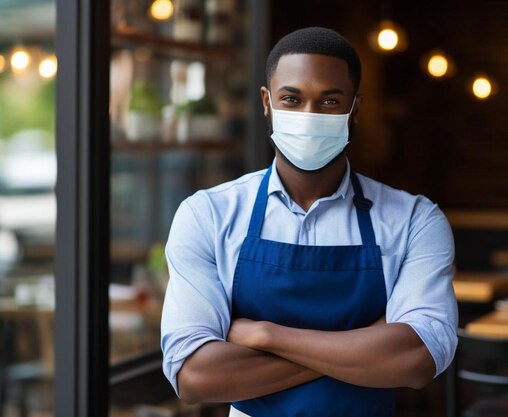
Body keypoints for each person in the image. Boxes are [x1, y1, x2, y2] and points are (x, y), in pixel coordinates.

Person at [161, 27, 457, 417]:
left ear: (355, 108)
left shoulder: (415, 220)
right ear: (266, 102)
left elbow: (418, 360)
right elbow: (195, 375)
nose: (309, 116)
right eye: (292, 99)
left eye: (330, 101)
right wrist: (367, 347)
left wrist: (267, 335)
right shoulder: (208, 215)